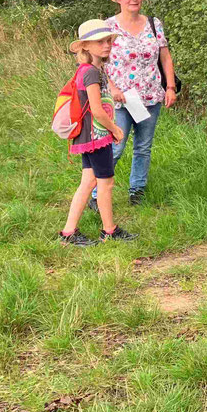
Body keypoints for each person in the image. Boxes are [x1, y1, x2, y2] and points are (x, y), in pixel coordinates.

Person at [97, 0, 177, 209]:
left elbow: (165, 56)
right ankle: (95, 193)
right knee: (116, 146)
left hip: (151, 96)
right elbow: (98, 61)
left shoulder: (154, 23)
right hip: (120, 100)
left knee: (143, 146)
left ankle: (137, 191)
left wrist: (170, 87)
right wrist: (111, 88)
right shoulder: (108, 27)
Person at [60, 20, 137, 245]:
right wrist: (115, 130)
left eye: (108, 41)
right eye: (99, 42)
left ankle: (68, 232)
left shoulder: (91, 70)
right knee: (106, 183)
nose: (106, 45)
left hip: (88, 137)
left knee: (89, 182)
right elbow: (97, 111)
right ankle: (109, 231)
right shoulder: (91, 73)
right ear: (86, 46)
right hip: (96, 137)